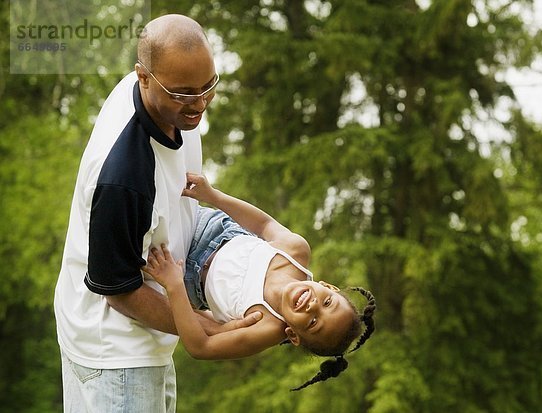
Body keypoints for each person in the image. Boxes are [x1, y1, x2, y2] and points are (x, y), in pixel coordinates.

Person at [53, 15, 259, 413]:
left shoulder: (171, 97)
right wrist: (210, 327)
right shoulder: (123, 175)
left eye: (208, 86)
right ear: (142, 77)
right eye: (184, 93)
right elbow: (119, 292)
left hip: (145, 340)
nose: (199, 104)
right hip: (115, 354)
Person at [142, 173, 377, 391]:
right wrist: (213, 195)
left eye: (313, 322)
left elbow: (200, 347)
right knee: (160, 186)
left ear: (293, 335)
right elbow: (263, 224)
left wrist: (174, 286)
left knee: (139, 228)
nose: (312, 306)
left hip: (182, 274)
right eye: (327, 302)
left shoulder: (266, 328)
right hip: (210, 227)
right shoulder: (296, 253)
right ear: (328, 287)